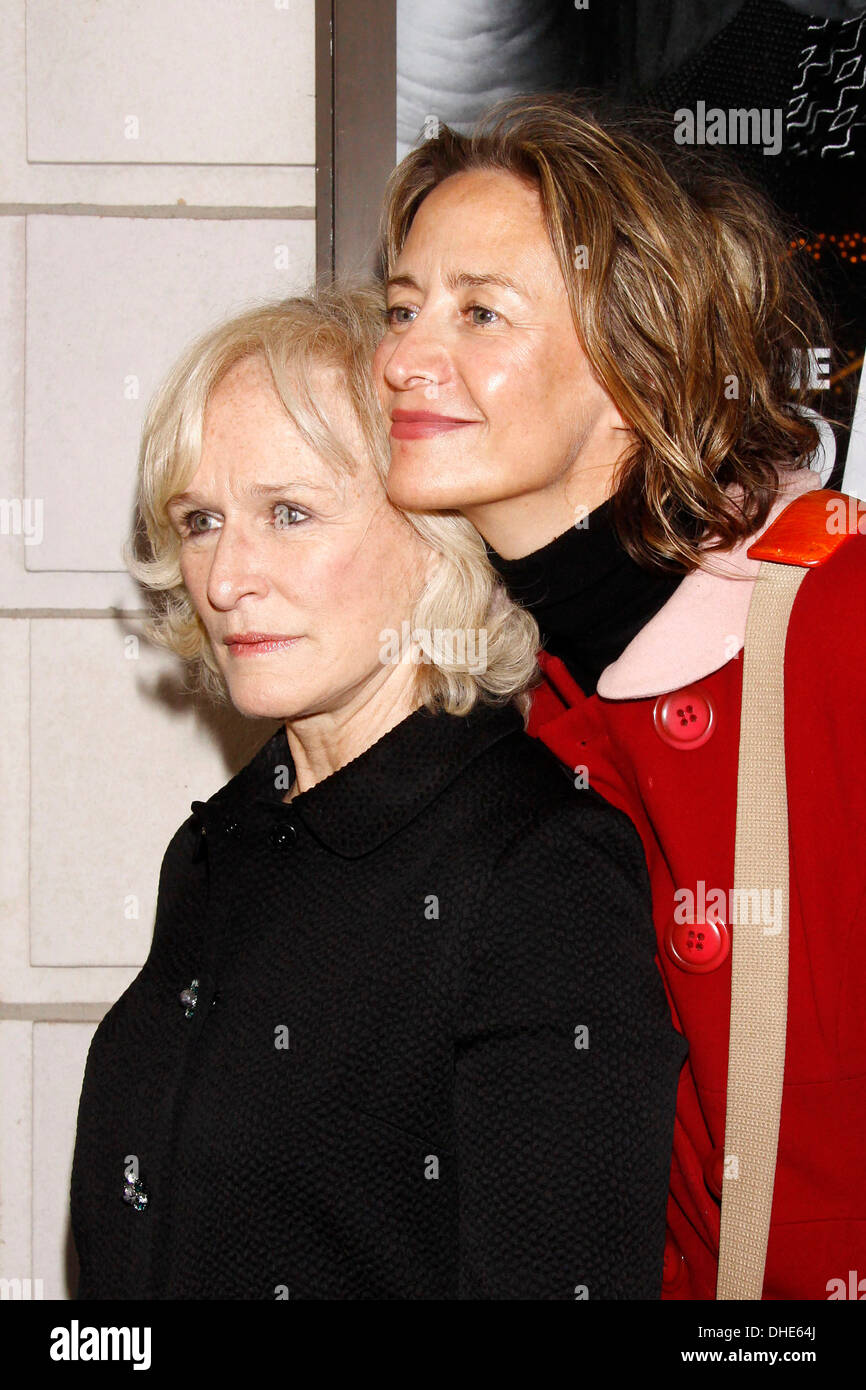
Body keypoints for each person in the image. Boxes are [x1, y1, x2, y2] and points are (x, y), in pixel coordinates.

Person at [69, 283, 686, 1300]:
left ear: (435, 536)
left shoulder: (537, 869)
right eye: (201, 519)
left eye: (289, 512)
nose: (224, 579)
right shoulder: (222, 844)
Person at [372, 93, 866, 1300]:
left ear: (633, 363)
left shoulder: (835, 628)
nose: (398, 357)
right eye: (399, 308)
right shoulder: (513, 694)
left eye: (479, 310)